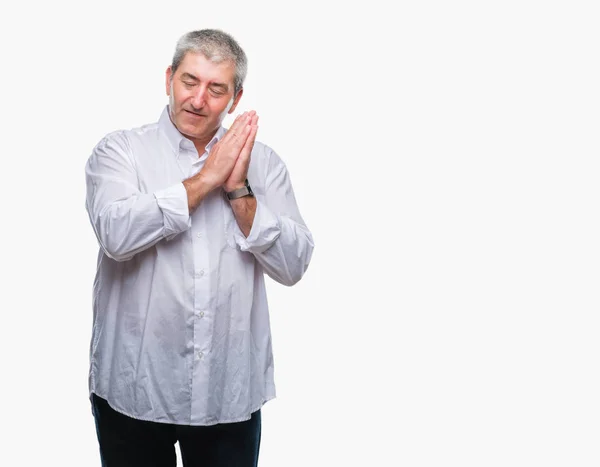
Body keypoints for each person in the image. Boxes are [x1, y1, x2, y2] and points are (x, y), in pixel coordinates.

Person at [84, 29, 314, 466]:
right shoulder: (119, 151)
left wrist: (239, 190)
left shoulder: (262, 163)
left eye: (216, 89)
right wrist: (206, 179)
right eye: (189, 81)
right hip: (134, 389)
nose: (198, 99)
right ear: (169, 77)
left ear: (236, 97)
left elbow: (294, 264)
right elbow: (116, 235)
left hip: (227, 394)